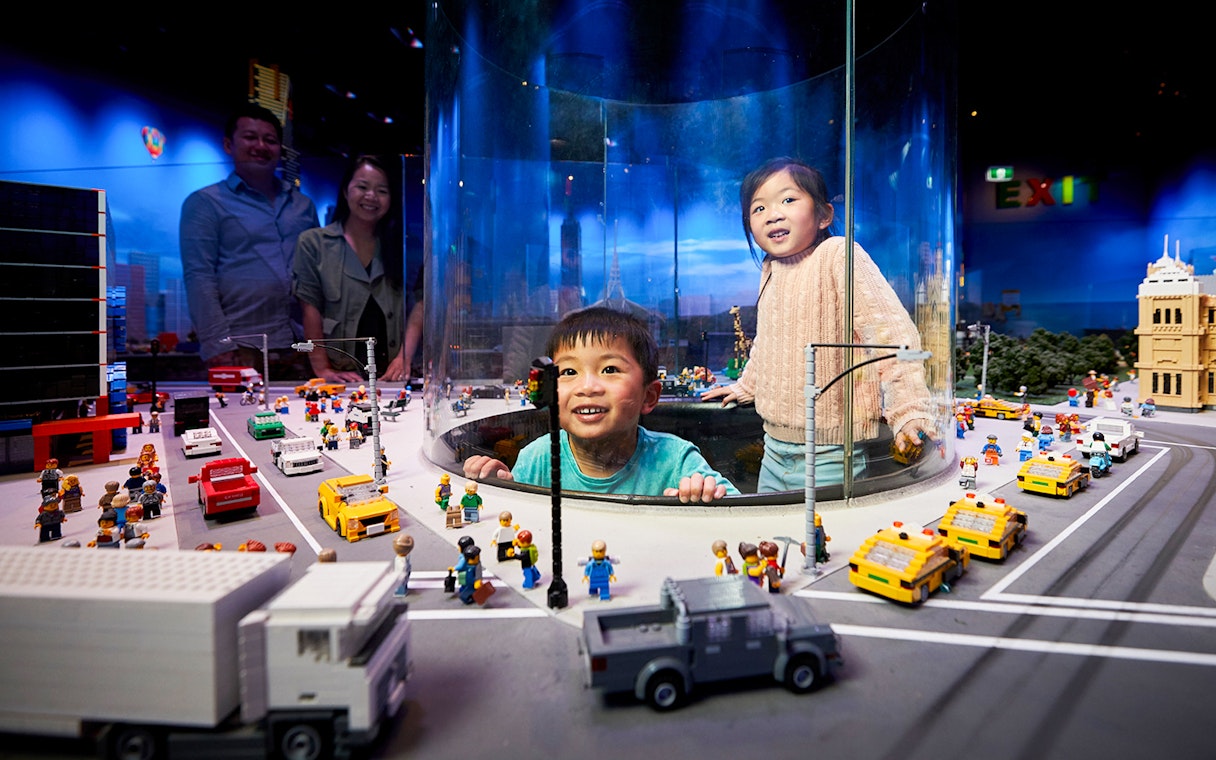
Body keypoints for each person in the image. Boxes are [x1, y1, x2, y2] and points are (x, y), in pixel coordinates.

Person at [701, 157, 934, 492]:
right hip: (774, 448)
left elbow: (893, 336)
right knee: (773, 539)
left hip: (831, 453)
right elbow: (768, 340)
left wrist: (909, 409)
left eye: (788, 200)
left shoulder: (838, 255)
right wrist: (748, 385)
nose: (773, 214)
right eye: (758, 208)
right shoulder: (771, 269)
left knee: (822, 542)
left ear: (824, 215)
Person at [462, 307, 739, 503]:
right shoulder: (537, 459)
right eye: (569, 372)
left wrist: (704, 493)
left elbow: (741, 513)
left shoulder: (676, 460)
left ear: (649, 396)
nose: (588, 387)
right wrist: (501, 490)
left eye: (609, 369)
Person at [179, 103, 319, 368]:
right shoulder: (205, 203)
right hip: (242, 347)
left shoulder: (303, 206)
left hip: (301, 345)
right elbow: (199, 277)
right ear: (228, 145)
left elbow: (316, 276)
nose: (261, 146)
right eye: (250, 137)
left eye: (270, 140)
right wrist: (218, 346)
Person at [292, 154, 413, 383]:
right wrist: (322, 370)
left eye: (382, 190)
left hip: (393, 375)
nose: (371, 196)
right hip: (341, 374)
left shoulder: (403, 246)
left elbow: (420, 306)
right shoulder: (313, 243)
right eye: (362, 187)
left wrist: (405, 358)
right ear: (346, 191)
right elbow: (310, 310)